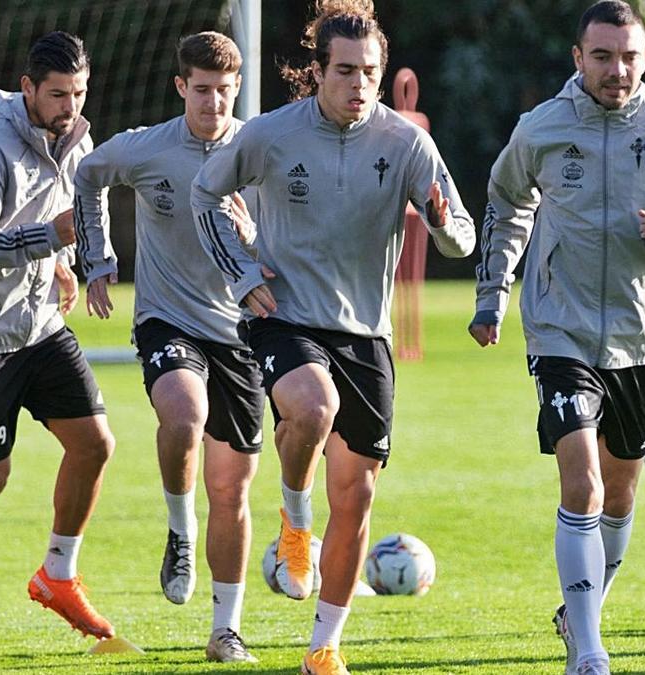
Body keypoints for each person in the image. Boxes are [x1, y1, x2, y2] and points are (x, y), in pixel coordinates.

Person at [190, 2, 475, 672]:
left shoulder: (405, 142)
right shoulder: (269, 135)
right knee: (312, 408)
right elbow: (207, 196)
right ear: (317, 71)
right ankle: (295, 519)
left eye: (369, 71)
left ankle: (323, 648)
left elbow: (461, 235)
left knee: (357, 495)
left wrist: (440, 222)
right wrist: (238, 274)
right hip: (284, 315)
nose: (358, 84)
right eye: (344, 70)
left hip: (364, 334)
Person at [470, 3, 645, 673]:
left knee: (620, 493)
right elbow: (506, 205)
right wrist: (493, 293)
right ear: (577, 58)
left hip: (641, 342)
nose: (616, 70)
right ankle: (588, 650)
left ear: (644, 58)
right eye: (602, 56)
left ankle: (581, 611)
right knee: (583, 483)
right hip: (559, 332)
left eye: (629, 57)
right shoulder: (543, 127)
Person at [73, 31, 267, 663]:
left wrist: (253, 230)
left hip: (241, 332)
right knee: (184, 416)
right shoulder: (149, 147)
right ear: (182, 87)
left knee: (233, 492)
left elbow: (292, 238)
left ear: (237, 90)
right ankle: (180, 530)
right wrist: (96, 257)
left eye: (224, 91)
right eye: (202, 90)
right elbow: (88, 173)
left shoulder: (260, 149)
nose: (213, 102)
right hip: (166, 319)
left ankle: (225, 629)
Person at [0, 31, 117, 660]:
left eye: (78, 93)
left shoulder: (77, 139)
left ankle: (57, 573)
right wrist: (45, 241)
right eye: (57, 95)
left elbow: (72, 216)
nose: (69, 106)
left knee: (94, 443)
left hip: (40, 328)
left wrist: (66, 260)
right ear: (27, 88)